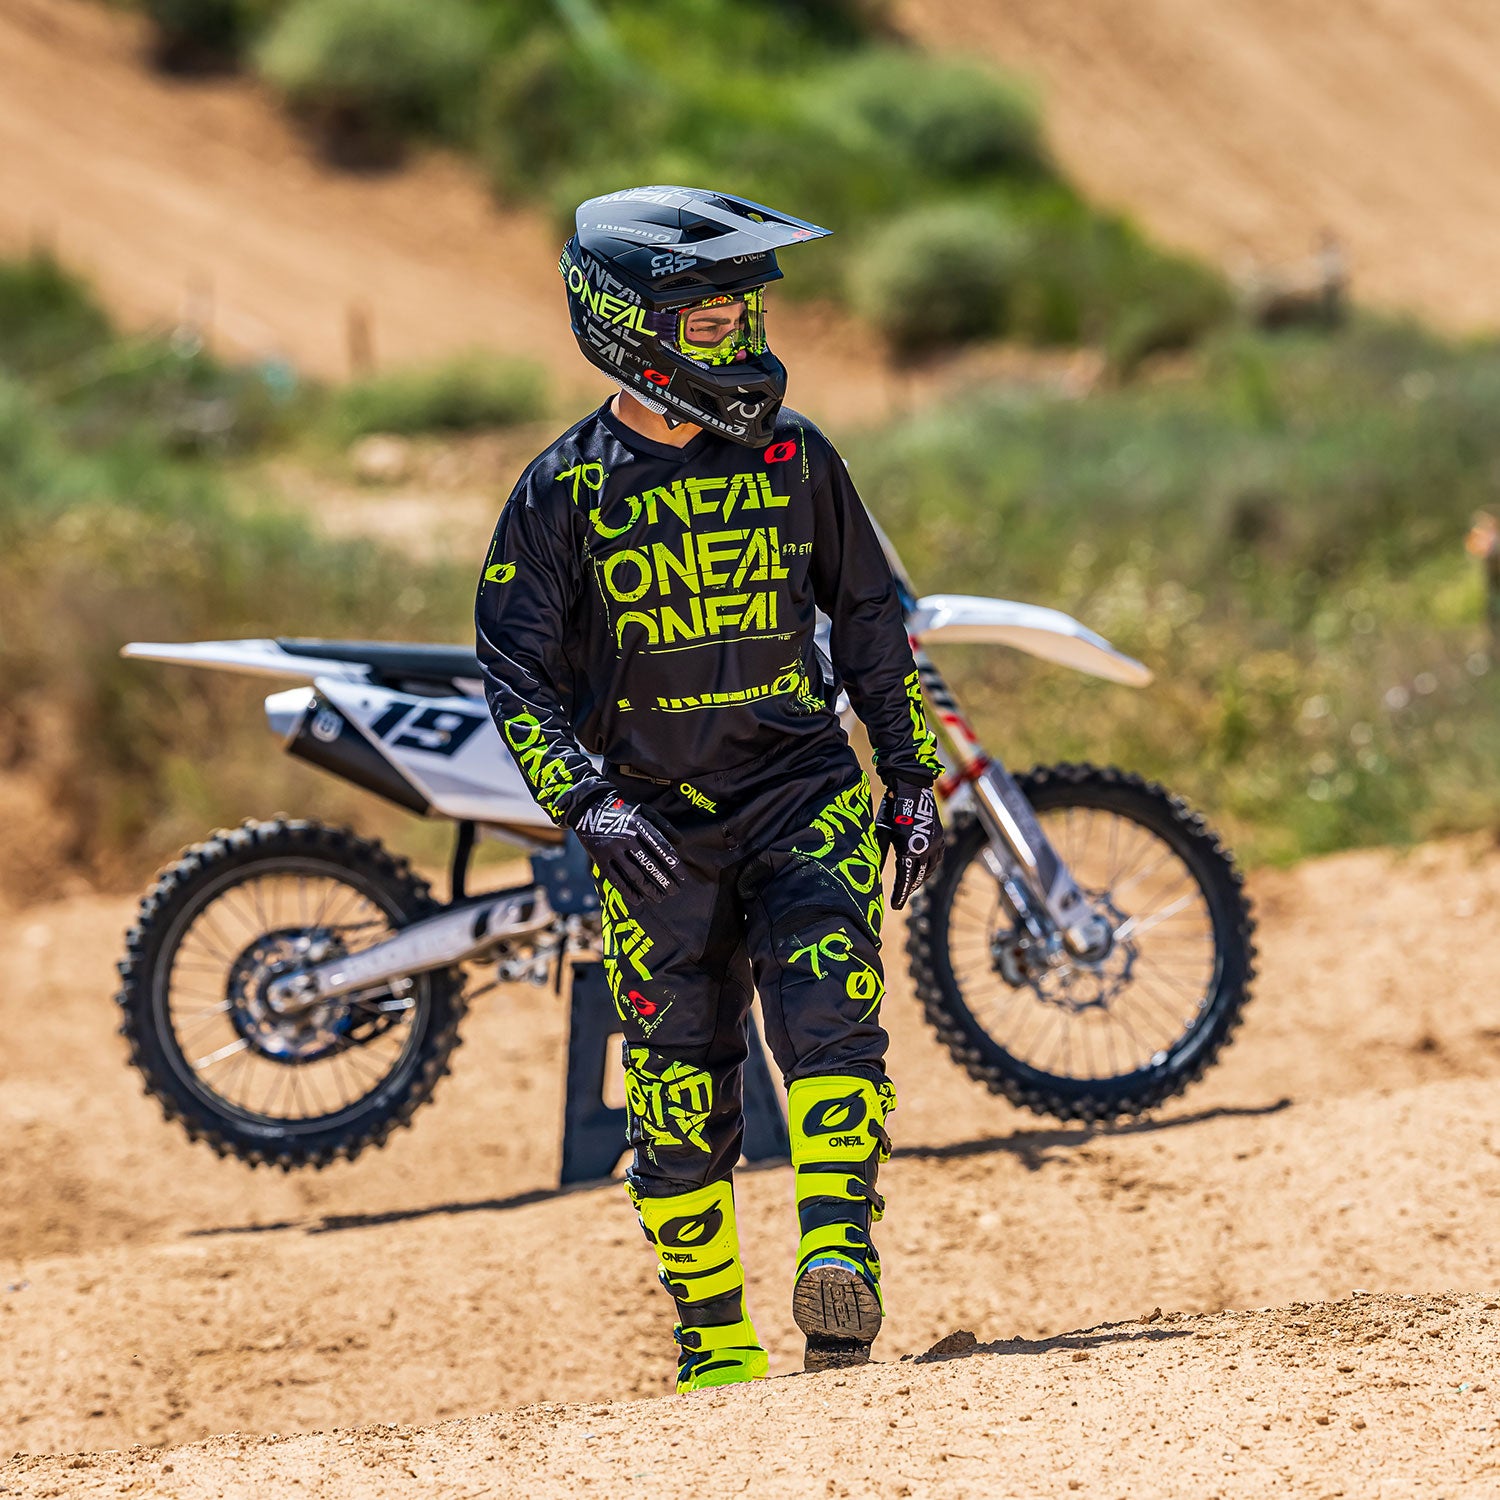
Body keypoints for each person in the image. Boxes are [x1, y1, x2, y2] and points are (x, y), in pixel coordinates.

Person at [475, 186, 943, 1390]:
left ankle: (838, 1259)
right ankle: (716, 1341)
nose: (738, 337)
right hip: (649, 826)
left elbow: (870, 619)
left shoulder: (797, 455)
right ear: (627, 322)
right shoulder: (560, 492)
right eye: (709, 319)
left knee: (833, 1011)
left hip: (801, 792)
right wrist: (585, 803)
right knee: (678, 1093)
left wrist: (909, 774)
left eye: (743, 315)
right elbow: (514, 672)